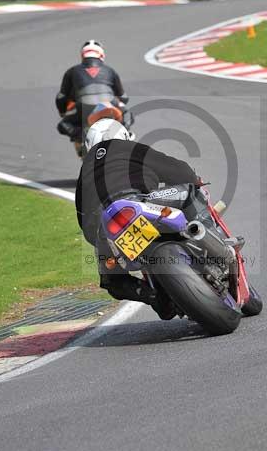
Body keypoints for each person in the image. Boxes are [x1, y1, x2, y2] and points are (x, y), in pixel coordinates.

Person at [75, 119, 200, 318]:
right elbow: (178, 170)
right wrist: (195, 181)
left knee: (112, 280)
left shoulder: (85, 171)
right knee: (192, 191)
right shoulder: (128, 147)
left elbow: (84, 223)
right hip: (140, 202)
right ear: (123, 136)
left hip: (105, 226)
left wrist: (102, 240)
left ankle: (154, 295)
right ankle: (201, 233)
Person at [56, 40, 129, 154]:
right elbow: (124, 97)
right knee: (127, 114)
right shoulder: (110, 70)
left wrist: (62, 112)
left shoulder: (72, 71)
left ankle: (82, 137)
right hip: (110, 103)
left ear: (82, 56)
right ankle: (125, 134)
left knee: (63, 125)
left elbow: (61, 97)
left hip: (83, 105)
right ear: (101, 55)